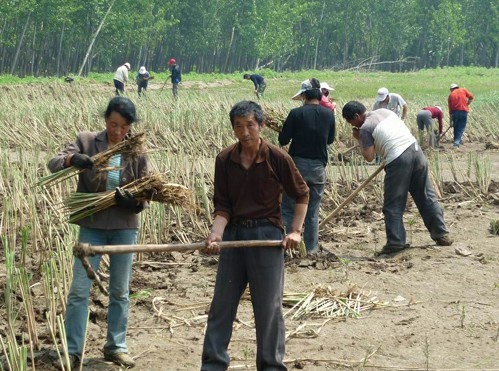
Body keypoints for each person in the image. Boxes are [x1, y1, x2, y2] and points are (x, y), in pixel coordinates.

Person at [201, 101, 309, 371]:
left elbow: (302, 194)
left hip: (266, 235)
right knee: (222, 305)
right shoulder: (225, 159)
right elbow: (223, 206)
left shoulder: (277, 157)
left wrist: (295, 231)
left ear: (261, 126)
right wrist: (216, 235)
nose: (245, 131)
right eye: (239, 126)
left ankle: (271, 366)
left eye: (250, 125)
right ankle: (213, 364)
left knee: (268, 308)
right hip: (235, 236)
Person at [49, 97, 148, 369]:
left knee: (119, 290)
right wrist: (72, 159)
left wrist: (136, 203)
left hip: (124, 228)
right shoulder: (88, 141)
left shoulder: (136, 151)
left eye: (124, 127)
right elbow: (53, 163)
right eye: (113, 124)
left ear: (130, 127)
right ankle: (72, 350)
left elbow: (145, 191)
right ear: (105, 120)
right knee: (80, 290)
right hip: (91, 225)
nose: (117, 132)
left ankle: (115, 347)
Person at [342, 101, 453, 255]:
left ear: (356, 116)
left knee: (393, 204)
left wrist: (359, 137)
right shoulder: (384, 112)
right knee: (426, 196)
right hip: (416, 152)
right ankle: (442, 234)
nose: (351, 125)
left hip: (398, 159)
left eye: (350, 122)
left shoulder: (365, 129)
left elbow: (369, 157)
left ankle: (395, 242)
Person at [278, 78, 335, 254]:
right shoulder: (329, 114)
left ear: (303, 95)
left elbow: (283, 140)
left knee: (288, 207)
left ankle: (287, 248)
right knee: (312, 211)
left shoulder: (296, 114)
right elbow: (330, 140)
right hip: (318, 167)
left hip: (297, 167)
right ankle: (311, 250)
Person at [448, 83, 474, 149]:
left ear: (451, 89)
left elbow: (450, 110)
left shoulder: (450, 95)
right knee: (461, 128)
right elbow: (471, 97)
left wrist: (450, 122)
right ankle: (456, 143)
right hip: (463, 112)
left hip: (454, 113)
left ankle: (456, 142)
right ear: (457, 87)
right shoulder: (463, 90)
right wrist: (467, 104)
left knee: (456, 127)